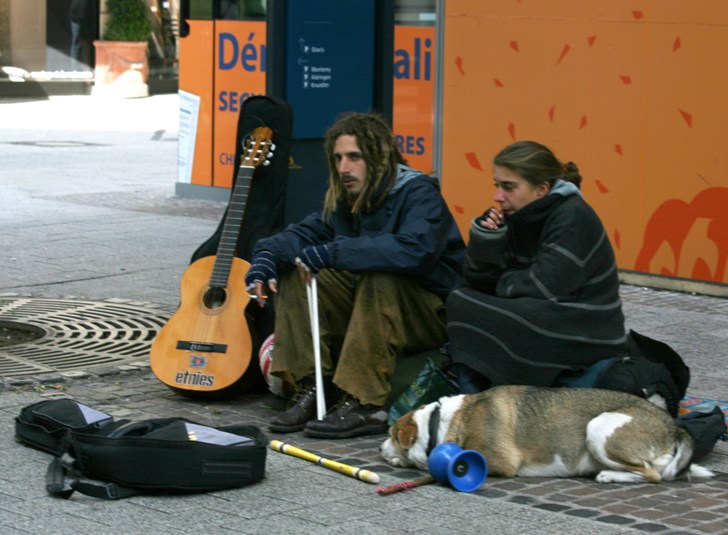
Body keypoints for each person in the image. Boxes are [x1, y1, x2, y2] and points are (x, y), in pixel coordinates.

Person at [245, 112, 466, 438]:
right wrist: (265, 258)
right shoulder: (348, 200)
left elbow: (413, 251)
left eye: (354, 157)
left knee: (380, 274)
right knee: (295, 268)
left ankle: (367, 402)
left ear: (378, 157)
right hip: (375, 307)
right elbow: (301, 235)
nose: (343, 167)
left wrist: (333, 253)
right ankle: (313, 388)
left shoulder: (418, 193)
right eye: (337, 158)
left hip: (430, 312)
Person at [446, 140, 629, 393]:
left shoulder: (573, 216)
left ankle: (484, 398)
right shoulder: (518, 215)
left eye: (509, 187)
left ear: (541, 189)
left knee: (482, 309)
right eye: (497, 185)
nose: (498, 196)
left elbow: (542, 286)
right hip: (543, 310)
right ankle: (475, 396)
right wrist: (486, 239)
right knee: (461, 298)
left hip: (586, 328)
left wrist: (501, 281)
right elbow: (476, 282)